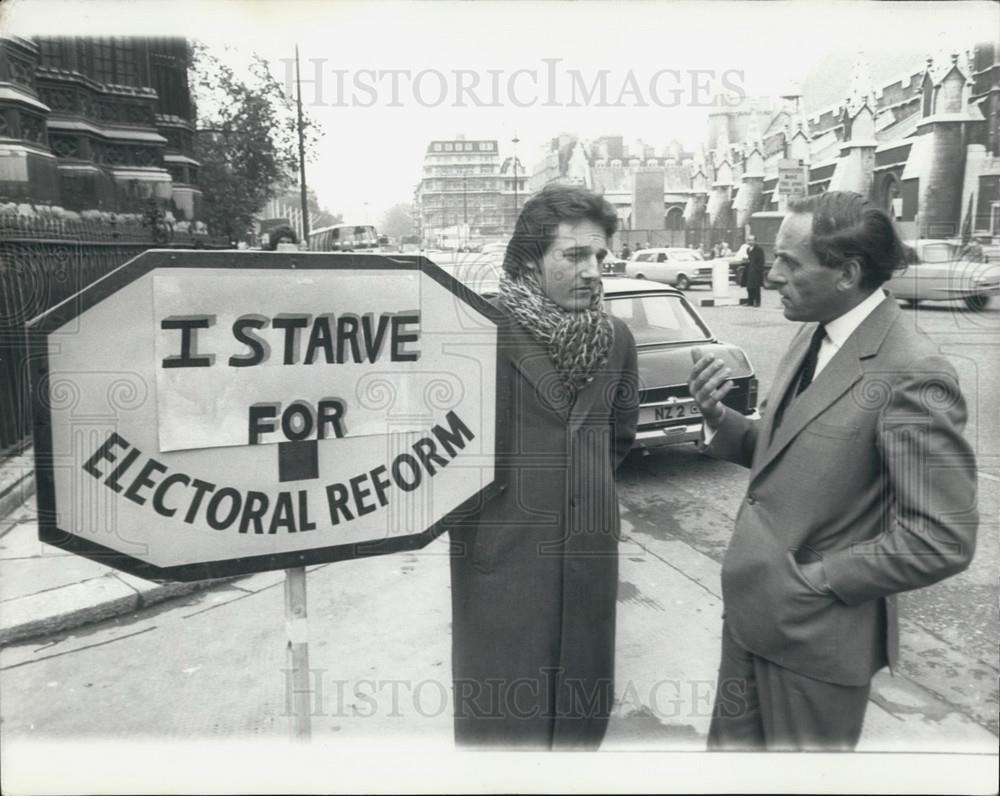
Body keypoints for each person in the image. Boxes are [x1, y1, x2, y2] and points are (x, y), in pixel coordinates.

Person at [688, 191, 978, 751]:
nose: (771, 276)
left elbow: (943, 535)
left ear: (847, 273)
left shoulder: (913, 372)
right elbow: (790, 453)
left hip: (815, 642)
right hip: (750, 622)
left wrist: (815, 584)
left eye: (789, 263)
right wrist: (717, 418)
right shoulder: (812, 332)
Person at [448, 183, 639, 750]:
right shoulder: (476, 333)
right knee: (504, 733)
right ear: (530, 259)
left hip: (588, 563)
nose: (593, 271)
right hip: (503, 572)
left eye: (600, 257)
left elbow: (617, 442)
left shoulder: (616, 338)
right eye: (575, 256)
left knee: (577, 733)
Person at [743, 234, 765, 306]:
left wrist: (757, 269)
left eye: (752, 240)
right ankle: (750, 302)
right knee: (749, 287)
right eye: (749, 240)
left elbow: (761, 261)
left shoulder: (759, 249)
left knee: (756, 287)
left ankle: (758, 302)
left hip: (756, 271)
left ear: (755, 241)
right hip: (749, 270)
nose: (750, 241)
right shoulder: (748, 249)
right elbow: (750, 259)